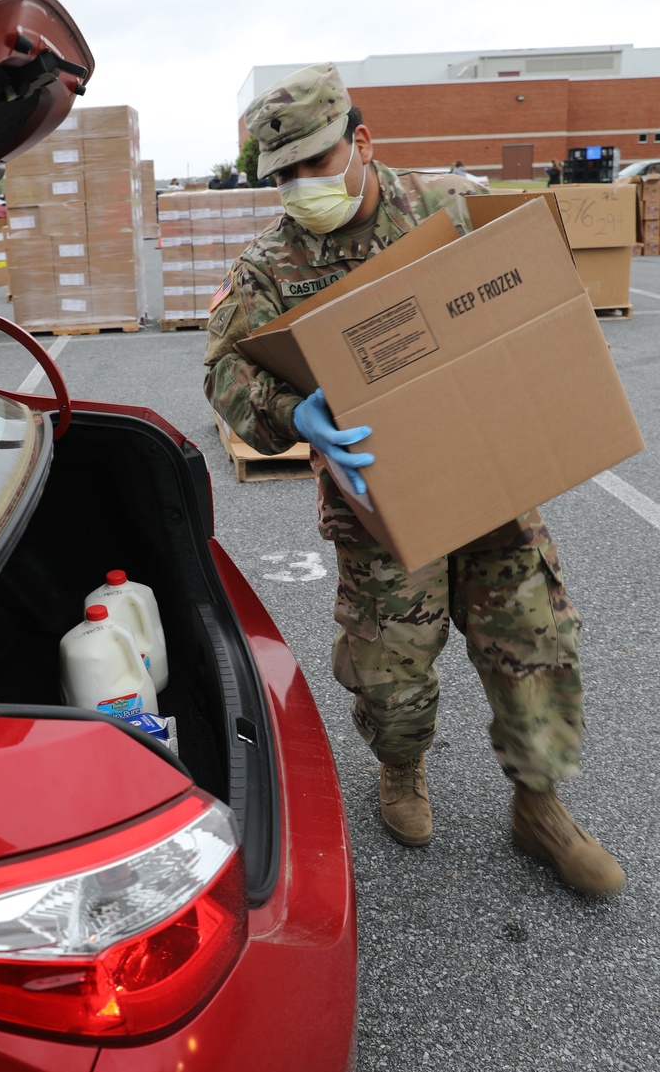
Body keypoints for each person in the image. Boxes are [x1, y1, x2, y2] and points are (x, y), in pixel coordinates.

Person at [204, 63, 624, 897]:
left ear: (362, 142)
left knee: (534, 644)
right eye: (281, 174)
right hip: (379, 505)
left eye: (313, 164)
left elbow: (528, 296)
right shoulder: (269, 265)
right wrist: (295, 417)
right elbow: (222, 374)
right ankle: (401, 770)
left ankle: (539, 806)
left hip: (493, 479)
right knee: (391, 670)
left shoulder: (443, 209)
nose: (298, 187)